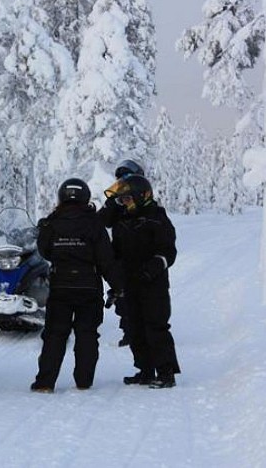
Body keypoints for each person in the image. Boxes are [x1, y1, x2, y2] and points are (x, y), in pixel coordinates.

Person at [30, 178, 123, 393]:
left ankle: (45, 382)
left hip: (61, 285)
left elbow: (44, 251)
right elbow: (106, 258)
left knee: (55, 334)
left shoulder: (52, 221)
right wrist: (117, 286)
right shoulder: (94, 223)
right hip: (89, 285)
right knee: (87, 334)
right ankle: (83, 381)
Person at [105, 173, 181, 388]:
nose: (124, 203)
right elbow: (105, 225)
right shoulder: (121, 219)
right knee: (134, 328)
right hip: (129, 282)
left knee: (156, 327)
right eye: (122, 200)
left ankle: (166, 373)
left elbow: (169, 251)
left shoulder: (157, 218)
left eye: (127, 199)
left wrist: (153, 267)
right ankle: (145, 370)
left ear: (140, 196)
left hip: (152, 283)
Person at [97, 158, 146, 347]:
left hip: (142, 255)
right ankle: (129, 331)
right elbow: (102, 221)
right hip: (120, 254)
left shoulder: (143, 197)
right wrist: (114, 203)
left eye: (128, 177)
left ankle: (143, 332)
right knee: (122, 294)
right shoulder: (116, 200)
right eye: (122, 178)